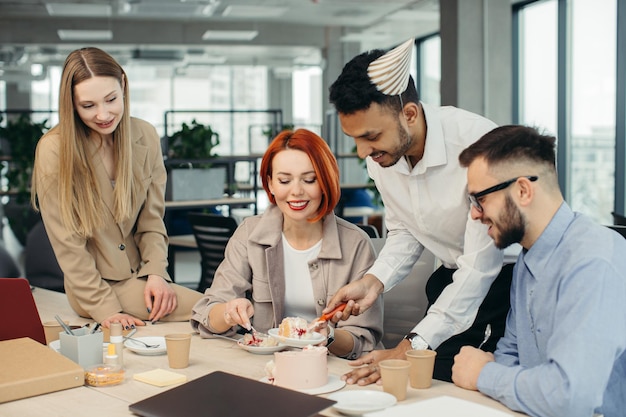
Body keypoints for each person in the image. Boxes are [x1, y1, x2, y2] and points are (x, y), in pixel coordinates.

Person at [325, 39, 516, 383]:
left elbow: (479, 269)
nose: (361, 152)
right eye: (354, 138)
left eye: (370, 136)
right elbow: (405, 230)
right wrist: (373, 281)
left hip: (504, 287)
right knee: (423, 382)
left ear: (409, 114)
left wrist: (410, 346)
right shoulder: (383, 157)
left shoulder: (479, 147)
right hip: (449, 280)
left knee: (464, 389)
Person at [451, 125, 626, 417]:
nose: (474, 213)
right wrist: (492, 372)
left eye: (479, 199)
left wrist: (483, 374)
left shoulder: (593, 261)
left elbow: (570, 397)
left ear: (522, 190)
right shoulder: (527, 260)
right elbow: (510, 355)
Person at [31, 47, 203, 329]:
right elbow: (68, 245)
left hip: (143, 277)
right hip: (95, 289)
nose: (103, 114)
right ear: (71, 104)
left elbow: (152, 220)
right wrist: (105, 308)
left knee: (214, 312)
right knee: (211, 311)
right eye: (88, 106)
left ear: (123, 84)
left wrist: (157, 274)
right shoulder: (54, 149)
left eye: (111, 99)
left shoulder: (145, 136)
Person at [190, 129, 383, 359]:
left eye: (309, 179)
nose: (297, 191)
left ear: (324, 182)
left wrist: (328, 336)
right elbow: (207, 311)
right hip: (267, 367)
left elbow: (363, 340)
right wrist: (228, 313)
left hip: (331, 368)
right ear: (270, 184)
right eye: (284, 180)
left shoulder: (356, 244)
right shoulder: (249, 234)